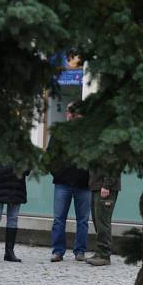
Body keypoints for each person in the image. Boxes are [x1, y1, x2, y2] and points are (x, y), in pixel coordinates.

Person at [49, 103, 90, 262]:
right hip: (62, 182)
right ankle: (58, 251)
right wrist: (57, 172)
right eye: (69, 111)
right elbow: (51, 155)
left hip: (83, 183)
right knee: (59, 218)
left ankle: (80, 251)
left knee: (83, 220)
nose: (70, 115)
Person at [0, 161, 28, 263]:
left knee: (13, 218)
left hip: (17, 185)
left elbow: (28, 163)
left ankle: (9, 252)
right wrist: (3, 170)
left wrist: (20, 170)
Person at [86, 168, 121, 266]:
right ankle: (99, 252)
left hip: (104, 187)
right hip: (96, 186)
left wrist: (106, 185)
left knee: (103, 222)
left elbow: (114, 166)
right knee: (97, 220)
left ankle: (104, 255)